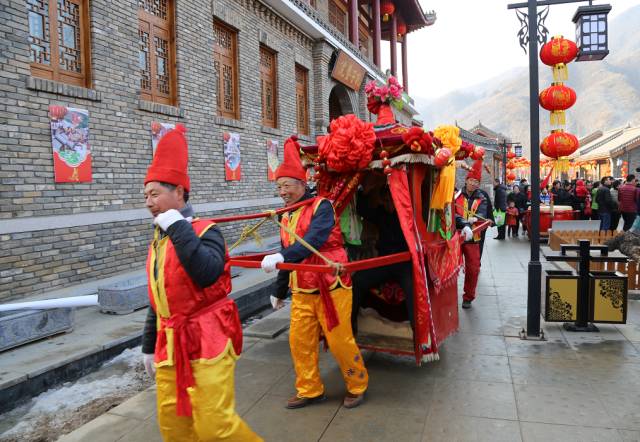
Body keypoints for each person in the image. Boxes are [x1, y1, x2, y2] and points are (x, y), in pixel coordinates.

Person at [140, 125, 261, 441]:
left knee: (215, 428)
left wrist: (179, 227)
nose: (149, 202)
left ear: (178, 193)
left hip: (207, 337)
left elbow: (207, 272)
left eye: (155, 194)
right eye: (146, 196)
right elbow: (158, 297)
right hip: (170, 343)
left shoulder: (206, 231)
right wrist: (148, 345)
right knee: (174, 426)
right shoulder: (158, 241)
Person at [261, 137, 368, 409]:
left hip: (330, 286)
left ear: (301, 183)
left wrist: (281, 256)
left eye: (286, 185)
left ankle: (357, 385)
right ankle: (309, 389)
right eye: (278, 187)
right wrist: (278, 289)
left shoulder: (322, 207)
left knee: (339, 340)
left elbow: (313, 240)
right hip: (302, 289)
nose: (282, 192)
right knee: (299, 342)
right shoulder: (286, 216)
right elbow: (288, 253)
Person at [351, 178, 414, 333]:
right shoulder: (381, 213)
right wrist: (364, 192)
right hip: (384, 262)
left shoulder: (408, 215)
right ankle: (351, 326)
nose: (388, 204)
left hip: (404, 263)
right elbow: (362, 210)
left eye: (391, 200)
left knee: (414, 289)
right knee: (358, 279)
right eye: (385, 200)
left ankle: (418, 333)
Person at [455, 158, 492, 309]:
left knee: (473, 268)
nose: (473, 184)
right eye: (471, 180)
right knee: (450, 268)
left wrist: (473, 219)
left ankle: (468, 297)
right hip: (456, 237)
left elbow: (482, 214)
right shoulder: (456, 195)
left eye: (476, 182)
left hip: (473, 238)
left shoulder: (482, 197)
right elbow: (452, 213)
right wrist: (464, 222)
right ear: (466, 180)